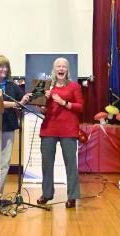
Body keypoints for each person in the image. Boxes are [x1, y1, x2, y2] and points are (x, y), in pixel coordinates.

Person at [36, 57, 84, 208]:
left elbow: (80, 107)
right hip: (49, 128)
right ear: (54, 69)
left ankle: (72, 196)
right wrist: (44, 100)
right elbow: (41, 108)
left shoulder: (74, 86)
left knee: (70, 164)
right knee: (47, 163)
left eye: (64, 66)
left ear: (67, 70)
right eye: (58, 66)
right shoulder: (44, 86)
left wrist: (64, 103)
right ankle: (47, 194)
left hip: (68, 130)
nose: (61, 69)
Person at [0, 54, 30, 198]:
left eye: (5, 67)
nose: (4, 69)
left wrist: (27, 97)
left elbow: (22, 101)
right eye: (0, 66)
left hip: (8, 126)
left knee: (5, 162)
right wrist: (16, 103)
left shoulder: (12, 85)